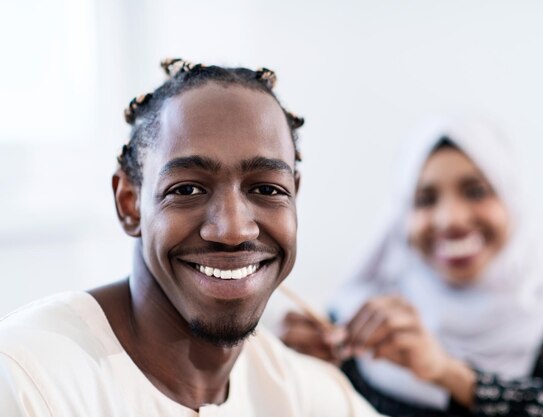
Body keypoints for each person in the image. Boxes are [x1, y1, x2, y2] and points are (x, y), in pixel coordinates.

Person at [0, 58, 384, 416]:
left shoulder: (308, 393)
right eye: (186, 190)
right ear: (130, 203)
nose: (233, 231)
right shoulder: (29, 379)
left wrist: (440, 373)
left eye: (267, 189)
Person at [281, 117, 543, 417]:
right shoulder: (360, 321)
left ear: (513, 203)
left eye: (476, 191)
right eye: (425, 200)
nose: (451, 220)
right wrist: (299, 374)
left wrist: (449, 374)